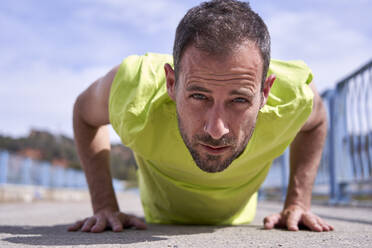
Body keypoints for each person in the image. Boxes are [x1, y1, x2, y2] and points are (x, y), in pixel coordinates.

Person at [69, 0, 334, 233]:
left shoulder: (293, 96)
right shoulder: (135, 89)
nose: (216, 129)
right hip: (161, 218)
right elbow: (84, 113)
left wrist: (298, 202)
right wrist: (104, 205)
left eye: (239, 100)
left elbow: (317, 122)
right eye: (198, 97)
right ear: (171, 83)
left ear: (265, 92)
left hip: (240, 219)